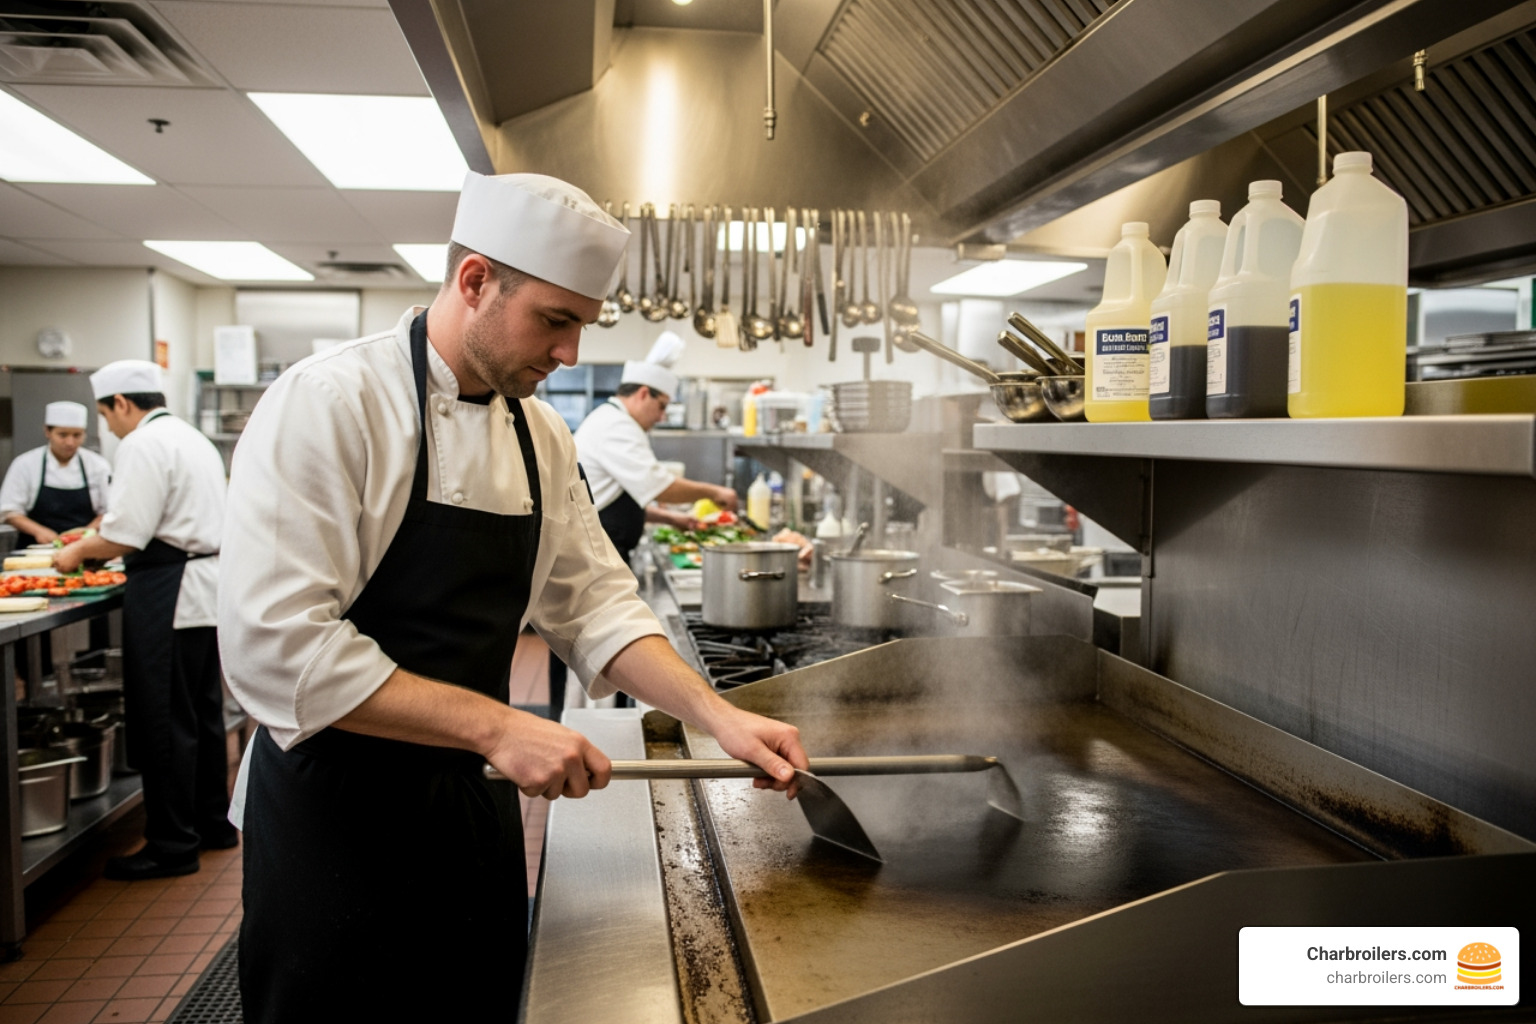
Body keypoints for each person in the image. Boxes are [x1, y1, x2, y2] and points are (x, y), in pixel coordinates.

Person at [217, 171, 807, 1023]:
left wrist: (719, 717)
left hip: (470, 803)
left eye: (582, 325)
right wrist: (498, 724)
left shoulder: (541, 433)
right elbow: (278, 651)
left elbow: (595, 602)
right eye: (555, 320)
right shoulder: (331, 403)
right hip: (336, 808)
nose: (570, 353)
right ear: (475, 281)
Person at [53, 363, 234, 880]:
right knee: (201, 716)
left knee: (162, 722)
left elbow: (126, 534)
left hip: (169, 589)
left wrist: (77, 552)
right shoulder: (192, 437)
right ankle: (213, 825)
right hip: (204, 588)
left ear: (123, 404)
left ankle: (172, 846)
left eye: (106, 414)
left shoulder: (141, 444)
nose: (108, 426)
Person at [573, 331, 739, 566]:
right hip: (596, 554)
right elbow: (659, 487)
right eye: (661, 407)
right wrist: (715, 492)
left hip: (605, 549)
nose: (661, 417)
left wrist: (671, 518)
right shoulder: (616, 425)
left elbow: (613, 497)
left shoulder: (612, 419)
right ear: (643, 394)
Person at [0, 401, 111, 544]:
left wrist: (85, 534)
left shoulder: (98, 465)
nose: (70, 442)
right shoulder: (25, 464)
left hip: (84, 547)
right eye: (63, 435)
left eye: (77, 435)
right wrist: (39, 531)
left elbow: (108, 511)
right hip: (35, 548)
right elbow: (9, 511)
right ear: (47, 432)